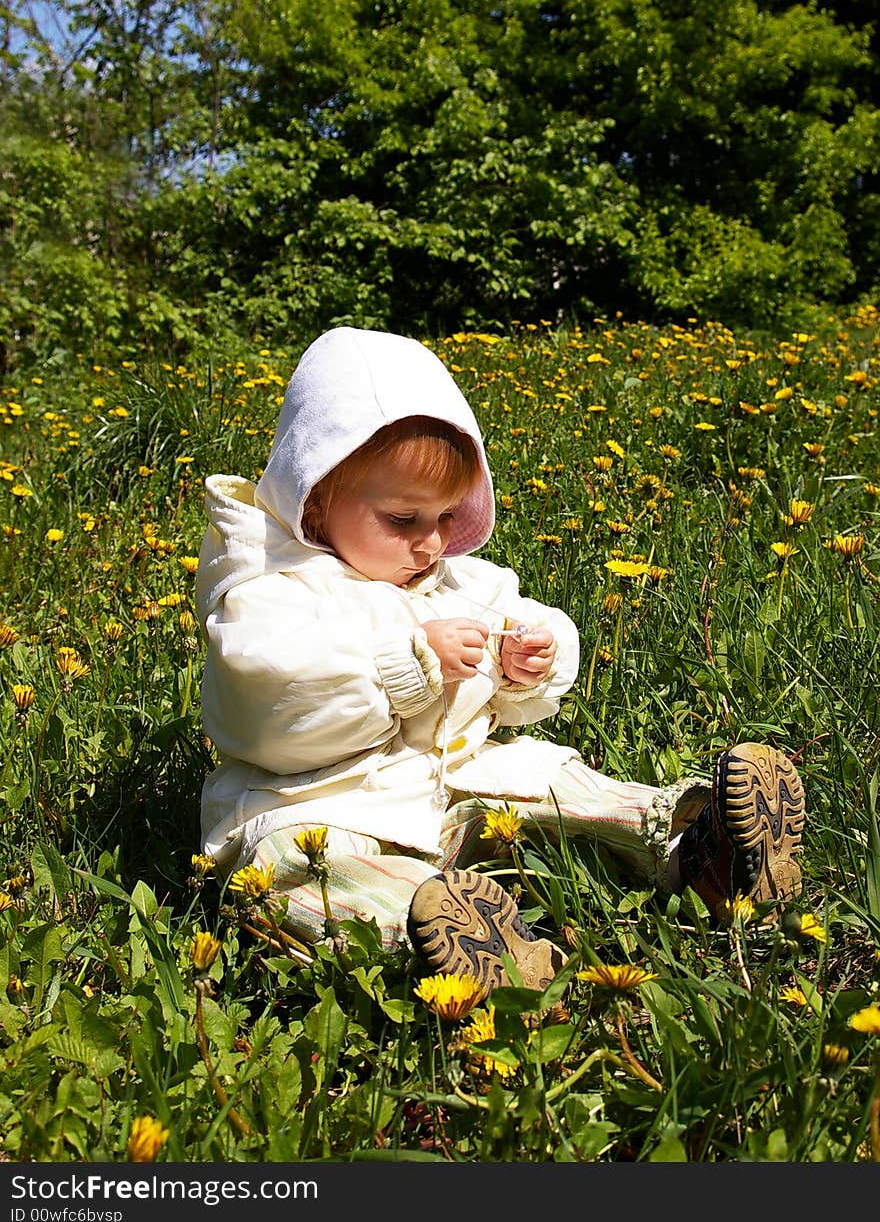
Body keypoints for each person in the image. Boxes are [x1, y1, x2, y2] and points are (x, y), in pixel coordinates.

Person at [195, 327, 806, 994]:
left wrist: (528, 660)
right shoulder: (269, 591)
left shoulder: (453, 577)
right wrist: (409, 663)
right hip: (318, 807)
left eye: (446, 515)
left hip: (456, 788)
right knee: (291, 876)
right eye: (404, 519)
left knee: (554, 781)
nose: (431, 542)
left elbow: (517, 616)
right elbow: (267, 700)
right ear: (316, 497)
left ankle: (695, 842)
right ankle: (432, 934)